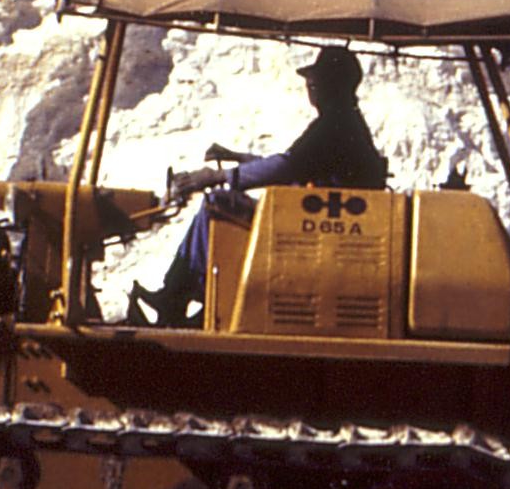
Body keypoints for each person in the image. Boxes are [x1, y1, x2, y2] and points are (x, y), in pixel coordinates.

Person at [137, 46, 387, 325]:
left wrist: (217, 176)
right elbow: (295, 163)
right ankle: (188, 298)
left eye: (317, 80)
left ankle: (182, 298)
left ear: (334, 84)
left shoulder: (334, 125)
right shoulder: (342, 122)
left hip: (316, 229)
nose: (311, 88)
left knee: (217, 205)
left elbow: (286, 166)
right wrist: (239, 159)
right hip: (320, 221)